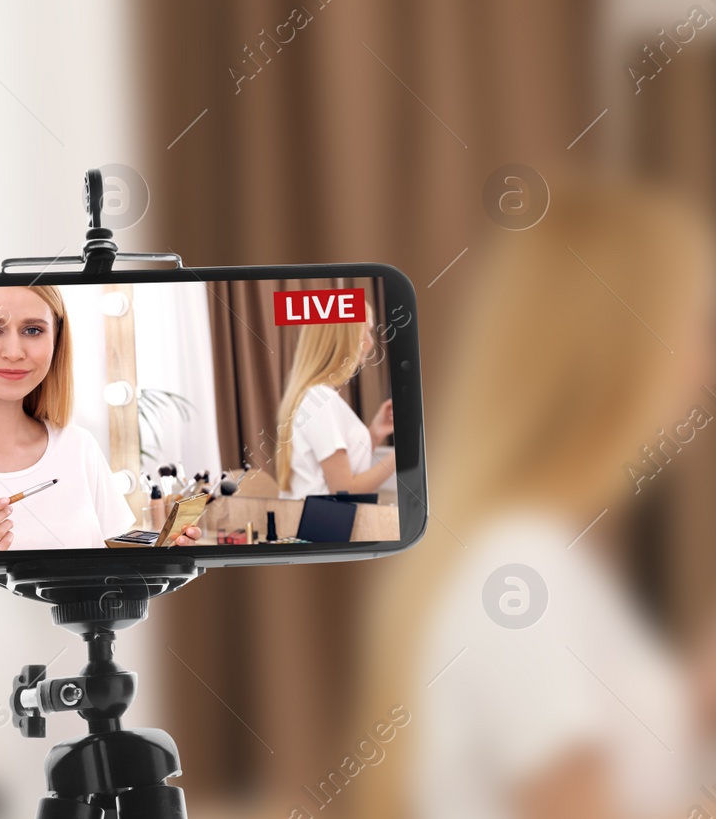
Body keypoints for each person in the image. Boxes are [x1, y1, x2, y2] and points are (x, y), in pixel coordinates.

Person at [352, 179, 716, 819]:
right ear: (618, 354)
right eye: (692, 326)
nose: (702, 362)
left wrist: (693, 702)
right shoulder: (520, 568)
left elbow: (607, 751)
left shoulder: (537, 552)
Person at [0, 285, 200, 553]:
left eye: (32, 330)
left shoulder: (79, 448)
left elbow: (113, 585)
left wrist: (168, 564)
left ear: (55, 339)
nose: (14, 351)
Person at [273, 306, 396, 499]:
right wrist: (402, 454)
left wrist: (374, 433)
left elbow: (338, 469)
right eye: (367, 332)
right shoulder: (322, 400)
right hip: (323, 528)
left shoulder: (313, 396)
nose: (370, 343)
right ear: (344, 340)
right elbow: (344, 490)